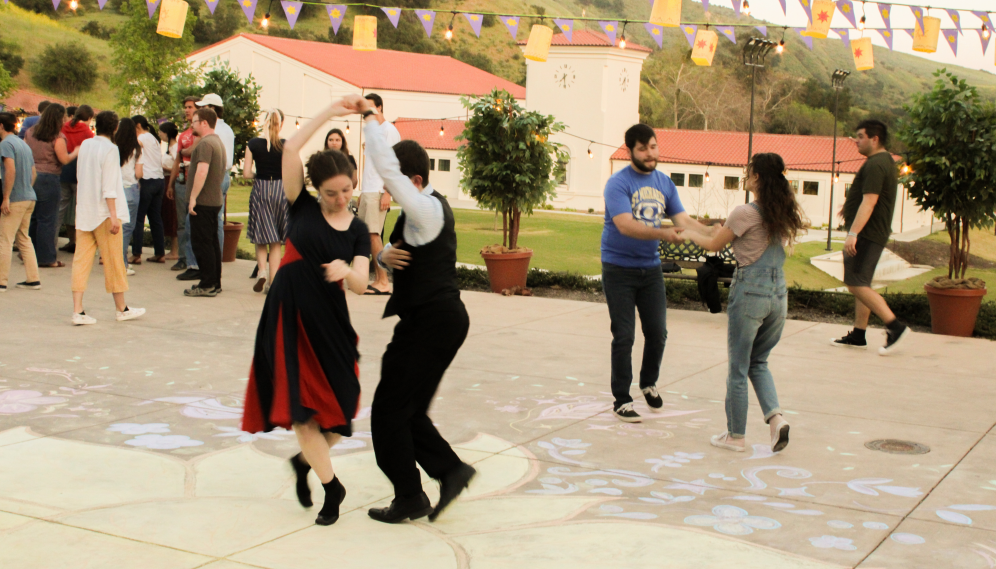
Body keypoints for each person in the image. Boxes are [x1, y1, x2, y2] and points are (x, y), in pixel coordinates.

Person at [241, 96, 371, 527]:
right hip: (290, 315)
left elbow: (362, 281)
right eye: (331, 192)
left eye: (346, 191)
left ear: (354, 183)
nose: (339, 199)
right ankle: (333, 487)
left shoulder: (355, 230)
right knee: (301, 409)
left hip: (330, 321)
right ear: (317, 188)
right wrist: (331, 111)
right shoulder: (300, 204)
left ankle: (306, 463)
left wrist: (344, 273)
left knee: (343, 406)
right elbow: (292, 150)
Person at [354, 94, 475, 524]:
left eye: (395, 186)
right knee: (406, 410)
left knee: (389, 409)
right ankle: (444, 475)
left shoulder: (423, 208)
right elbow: (403, 247)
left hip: (430, 322)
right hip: (439, 320)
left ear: (415, 180)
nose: (388, 193)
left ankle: (417, 491)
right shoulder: (426, 211)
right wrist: (385, 253)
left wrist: (368, 118)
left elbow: (387, 166)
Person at [683, 153, 806, 453]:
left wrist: (686, 232)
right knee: (758, 362)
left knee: (738, 367)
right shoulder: (782, 212)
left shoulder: (745, 212)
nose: (746, 176)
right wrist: (709, 228)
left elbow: (714, 245)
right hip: (778, 295)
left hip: (750, 293)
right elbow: (725, 233)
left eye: (749, 172)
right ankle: (776, 420)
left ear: (758, 178)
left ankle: (735, 436)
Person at [601, 123, 717, 423]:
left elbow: (682, 219)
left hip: (650, 270)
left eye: (653, 146)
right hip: (618, 269)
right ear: (631, 151)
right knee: (624, 335)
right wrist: (664, 234)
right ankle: (622, 399)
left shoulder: (664, 183)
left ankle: (648, 382)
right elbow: (625, 224)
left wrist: (710, 232)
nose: (650, 153)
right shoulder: (618, 184)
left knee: (657, 333)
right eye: (643, 149)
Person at [832, 120, 910, 355]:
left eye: (860, 136)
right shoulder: (883, 162)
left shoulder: (877, 164)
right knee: (861, 282)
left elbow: (870, 200)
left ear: (874, 139)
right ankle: (858, 334)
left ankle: (895, 326)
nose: (856, 140)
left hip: (867, 233)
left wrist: (853, 233)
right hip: (872, 232)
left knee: (855, 283)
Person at [70, 111, 145, 325]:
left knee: (81, 261)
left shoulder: (86, 145)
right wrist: (113, 215)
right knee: (114, 261)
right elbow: (109, 184)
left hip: (85, 209)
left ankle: (78, 310)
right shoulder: (111, 150)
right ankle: (121, 308)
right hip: (104, 212)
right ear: (114, 129)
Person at [26, 103, 78, 268]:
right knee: (48, 219)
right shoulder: (57, 136)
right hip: (49, 178)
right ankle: (47, 258)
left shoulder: (30, 132)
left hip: (31, 176)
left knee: (33, 218)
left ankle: (29, 253)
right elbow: (63, 159)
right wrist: (75, 152)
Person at [358, 93, 401, 295]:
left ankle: (383, 281)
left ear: (380, 108)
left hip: (378, 190)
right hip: (367, 190)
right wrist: (361, 192)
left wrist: (387, 192)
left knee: (374, 235)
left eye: (371, 107)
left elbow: (394, 164)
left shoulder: (389, 131)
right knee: (366, 236)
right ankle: (375, 278)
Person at [244, 109, 289, 294]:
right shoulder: (286, 145)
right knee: (276, 239)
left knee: (260, 235)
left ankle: (262, 271)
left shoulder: (253, 144)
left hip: (261, 188)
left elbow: (246, 174)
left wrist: (258, 175)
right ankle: (273, 281)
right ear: (281, 123)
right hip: (280, 189)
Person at [184, 108, 227, 297]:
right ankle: (214, 282)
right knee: (212, 244)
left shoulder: (205, 144)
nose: (191, 125)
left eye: (194, 121)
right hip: (214, 200)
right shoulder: (217, 142)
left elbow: (202, 172)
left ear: (204, 123)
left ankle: (207, 283)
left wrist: (193, 198)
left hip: (204, 201)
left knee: (202, 244)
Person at [0, 112, 40, 292]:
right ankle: (33, 279)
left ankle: (1, 281)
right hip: (29, 196)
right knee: (24, 237)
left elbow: (10, 171)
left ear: (1, 126)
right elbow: (34, 173)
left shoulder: (5, 144)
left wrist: (6, 197)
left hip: (15, 199)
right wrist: (26, 188)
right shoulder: (23, 145)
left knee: (5, 239)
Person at [196, 94, 235, 254]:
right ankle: (215, 260)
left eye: (204, 107)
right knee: (216, 220)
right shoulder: (227, 129)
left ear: (212, 109)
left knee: (206, 220)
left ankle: (207, 261)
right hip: (224, 174)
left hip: (213, 176)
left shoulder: (213, 130)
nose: (201, 110)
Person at [169, 96, 200, 276]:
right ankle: (182, 257)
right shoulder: (183, 135)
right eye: (186, 107)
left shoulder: (200, 133)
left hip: (195, 182)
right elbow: (177, 159)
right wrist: (171, 183)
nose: (186, 110)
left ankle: (194, 260)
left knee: (193, 223)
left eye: (190, 107)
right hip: (182, 181)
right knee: (181, 222)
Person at [59, 105, 95, 254]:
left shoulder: (64, 127)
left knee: (59, 210)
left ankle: (50, 243)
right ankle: (81, 245)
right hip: (80, 173)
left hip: (63, 170)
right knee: (81, 210)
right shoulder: (87, 131)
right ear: (89, 118)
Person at [130, 115, 166, 264]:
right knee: (155, 217)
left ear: (137, 125)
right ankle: (160, 252)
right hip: (159, 180)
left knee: (138, 218)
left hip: (147, 180)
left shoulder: (142, 139)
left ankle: (136, 253)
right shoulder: (154, 138)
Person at [115, 117, 143, 275]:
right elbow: (139, 173)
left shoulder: (114, 147)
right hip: (130, 188)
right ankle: (122, 264)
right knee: (127, 228)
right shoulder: (137, 149)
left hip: (115, 188)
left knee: (114, 227)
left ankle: (113, 261)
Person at [159, 122, 180, 262]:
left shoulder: (175, 148)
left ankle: (175, 250)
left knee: (174, 215)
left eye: (161, 132)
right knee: (169, 214)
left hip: (170, 180)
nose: (160, 134)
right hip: (166, 180)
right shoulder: (169, 148)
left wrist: (163, 167)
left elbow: (176, 166)